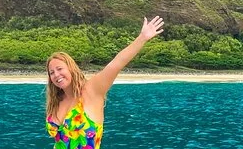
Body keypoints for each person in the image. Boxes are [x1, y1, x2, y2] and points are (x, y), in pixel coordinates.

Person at [45, 16, 164, 149]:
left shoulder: (91, 91)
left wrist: (142, 38)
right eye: (52, 72)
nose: (56, 75)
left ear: (71, 69)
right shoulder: (56, 101)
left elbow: (115, 64)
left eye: (60, 69)